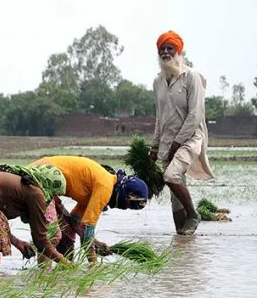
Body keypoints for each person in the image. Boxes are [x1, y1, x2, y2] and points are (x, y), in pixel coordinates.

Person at [150, 30, 214, 235]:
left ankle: (194, 215)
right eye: (162, 49)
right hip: (168, 142)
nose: (166, 52)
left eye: (170, 48)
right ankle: (182, 235)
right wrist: (154, 149)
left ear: (178, 51)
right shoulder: (158, 81)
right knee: (174, 194)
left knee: (171, 175)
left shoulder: (191, 77)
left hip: (190, 138)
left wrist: (178, 143)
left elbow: (195, 115)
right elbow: (160, 118)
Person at [29, 156, 148, 262]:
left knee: (67, 233)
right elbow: (87, 231)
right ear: (125, 194)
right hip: (40, 176)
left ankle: (62, 274)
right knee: (53, 234)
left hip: (48, 184)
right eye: (127, 205)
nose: (124, 208)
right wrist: (93, 267)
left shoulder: (98, 187)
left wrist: (95, 242)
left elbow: (76, 221)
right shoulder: (105, 188)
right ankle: (43, 275)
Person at [0, 164, 72, 265]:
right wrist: (69, 265)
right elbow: (41, 241)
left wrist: (18, 243)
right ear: (48, 187)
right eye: (54, 195)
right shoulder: (36, 194)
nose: (51, 199)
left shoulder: (25, 183)